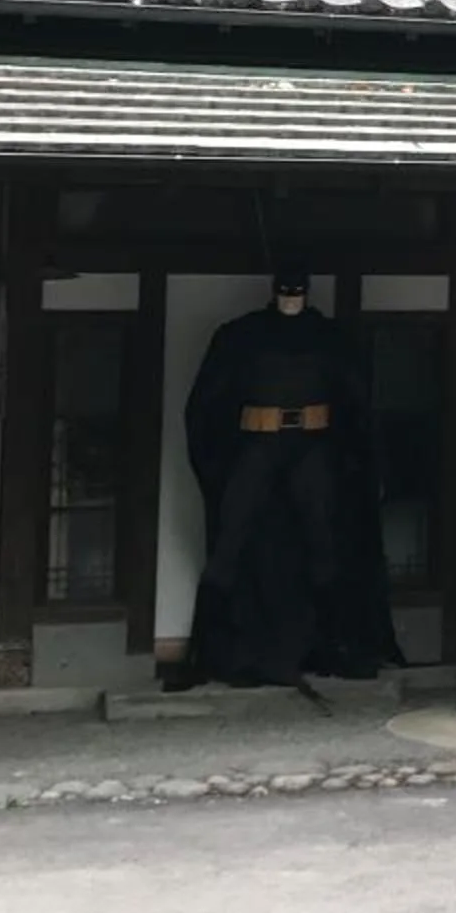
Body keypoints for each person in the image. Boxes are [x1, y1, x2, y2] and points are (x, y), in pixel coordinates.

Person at [178, 270, 402, 687]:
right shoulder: (241, 335)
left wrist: (364, 462)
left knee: (324, 543)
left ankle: (330, 644)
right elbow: (207, 404)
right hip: (255, 444)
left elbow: (357, 402)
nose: (291, 296)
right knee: (231, 540)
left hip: (314, 446)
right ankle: (220, 651)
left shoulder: (328, 337)